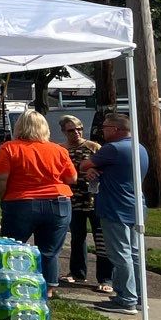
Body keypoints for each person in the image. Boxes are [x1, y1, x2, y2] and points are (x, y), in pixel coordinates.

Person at [0, 109, 75, 297]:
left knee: (12, 247)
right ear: (45, 128)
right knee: (49, 251)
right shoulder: (59, 150)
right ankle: (48, 289)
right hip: (58, 202)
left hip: (21, 201)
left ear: (19, 127)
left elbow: (0, 178)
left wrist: (4, 197)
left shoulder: (9, 148)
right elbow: (72, 178)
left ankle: (11, 285)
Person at [82, 112, 149, 316]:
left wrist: (94, 169)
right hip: (135, 206)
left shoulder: (113, 148)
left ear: (115, 129)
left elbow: (84, 165)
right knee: (134, 253)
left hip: (115, 206)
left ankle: (126, 300)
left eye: (105, 127)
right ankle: (137, 296)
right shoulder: (140, 148)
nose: (102, 131)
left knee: (120, 254)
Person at [60, 114, 111, 291]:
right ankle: (77, 272)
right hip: (73, 199)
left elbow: (105, 168)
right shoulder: (61, 149)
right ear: (64, 132)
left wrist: (95, 171)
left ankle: (105, 278)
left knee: (101, 239)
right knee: (77, 237)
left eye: (79, 129)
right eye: (71, 130)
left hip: (94, 199)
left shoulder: (94, 147)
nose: (76, 133)